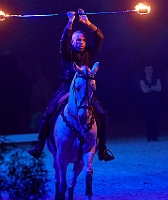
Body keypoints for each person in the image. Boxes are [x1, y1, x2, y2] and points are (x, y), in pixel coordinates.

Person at [28, 8, 114, 162]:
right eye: (78, 40)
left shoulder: (89, 53)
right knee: (49, 113)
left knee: (102, 113)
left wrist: (87, 23)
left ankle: (102, 149)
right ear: (73, 42)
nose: (81, 42)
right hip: (66, 87)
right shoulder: (67, 53)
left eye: (83, 40)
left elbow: (100, 38)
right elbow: (63, 41)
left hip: (84, 89)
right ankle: (39, 145)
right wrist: (70, 23)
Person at [139, 65, 162, 141]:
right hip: (147, 101)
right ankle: (149, 136)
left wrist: (150, 87)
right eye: (148, 69)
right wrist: (153, 88)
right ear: (145, 70)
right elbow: (144, 90)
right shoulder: (142, 80)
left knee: (156, 119)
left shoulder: (157, 79)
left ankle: (155, 136)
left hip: (155, 101)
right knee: (149, 119)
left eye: (151, 69)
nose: (150, 71)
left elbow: (159, 89)